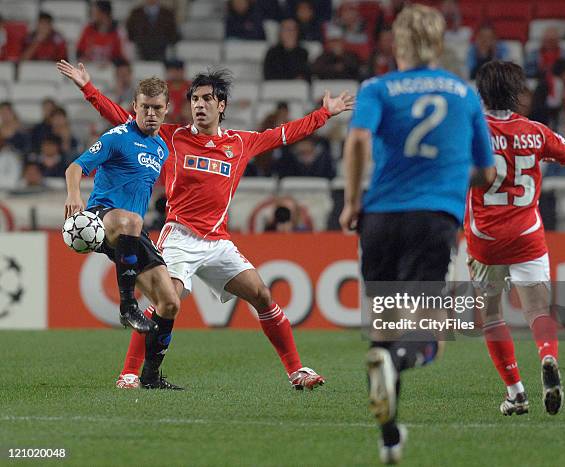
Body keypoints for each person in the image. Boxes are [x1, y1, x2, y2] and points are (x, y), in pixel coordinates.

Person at [56, 60, 353, 390]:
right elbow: (124, 120)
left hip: (218, 241)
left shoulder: (240, 143)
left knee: (262, 294)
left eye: (207, 99)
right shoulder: (172, 136)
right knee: (166, 301)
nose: (199, 105)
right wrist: (88, 88)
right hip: (180, 235)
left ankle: (297, 371)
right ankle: (129, 373)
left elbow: (283, 134)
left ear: (221, 105)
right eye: (195, 99)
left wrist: (324, 113)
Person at [339, 5, 494, 464]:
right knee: (428, 332)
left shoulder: (377, 88)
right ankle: (400, 361)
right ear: (439, 44)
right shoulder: (464, 94)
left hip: (380, 220)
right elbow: (485, 171)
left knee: (385, 328)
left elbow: (358, 140)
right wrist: (446, 176)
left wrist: (351, 201)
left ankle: (389, 439)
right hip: (433, 220)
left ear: (398, 44)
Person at [466, 61, 565, 417]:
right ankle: (547, 354)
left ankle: (516, 392)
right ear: (518, 93)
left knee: (490, 314)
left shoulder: (472, 131)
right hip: (526, 234)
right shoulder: (535, 131)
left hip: (485, 238)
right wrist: (544, 153)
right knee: (537, 309)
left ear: (481, 93)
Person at [63, 76, 183, 390]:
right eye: (145, 107)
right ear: (135, 107)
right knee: (131, 221)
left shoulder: (161, 148)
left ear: (167, 109)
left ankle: (151, 377)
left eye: (157, 108)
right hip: (103, 219)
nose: (151, 113)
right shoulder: (117, 136)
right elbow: (75, 167)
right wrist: (74, 195)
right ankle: (128, 305)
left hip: (133, 231)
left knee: (169, 302)